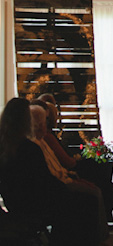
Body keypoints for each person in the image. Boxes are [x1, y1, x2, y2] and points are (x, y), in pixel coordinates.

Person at [0, 97, 96, 245]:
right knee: (83, 201)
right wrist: (67, 188)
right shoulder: (29, 148)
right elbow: (46, 181)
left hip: (15, 202)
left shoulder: (4, 147)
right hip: (37, 202)